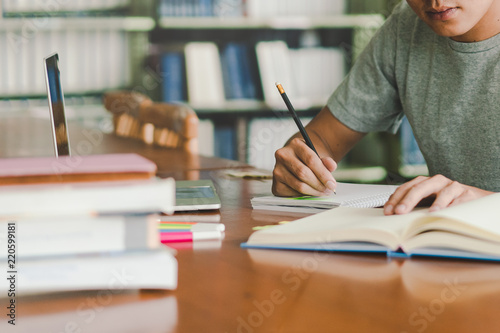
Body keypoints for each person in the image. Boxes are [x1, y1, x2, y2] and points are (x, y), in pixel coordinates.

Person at [272, 0, 499, 215]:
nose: (435, 2)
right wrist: (300, 170)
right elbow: (321, 139)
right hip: (442, 240)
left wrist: (486, 204)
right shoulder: (407, 25)